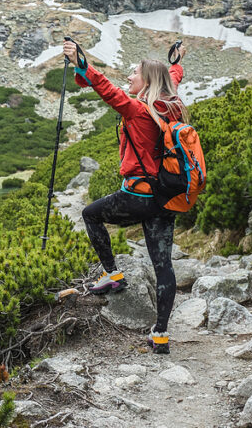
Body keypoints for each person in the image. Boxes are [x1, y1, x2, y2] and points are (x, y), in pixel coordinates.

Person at [63, 39, 187, 354]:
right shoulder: (168, 104)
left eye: (134, 73)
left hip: (136, 196)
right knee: (164, 266)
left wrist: (82, 63)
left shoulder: (137, 109)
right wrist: (175, 62)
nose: (129, 77)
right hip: (163, 199)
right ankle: (160, 334)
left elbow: (107, 90)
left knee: (91, 214)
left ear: (147, 82)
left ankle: (113, 274)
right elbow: (172, 77)